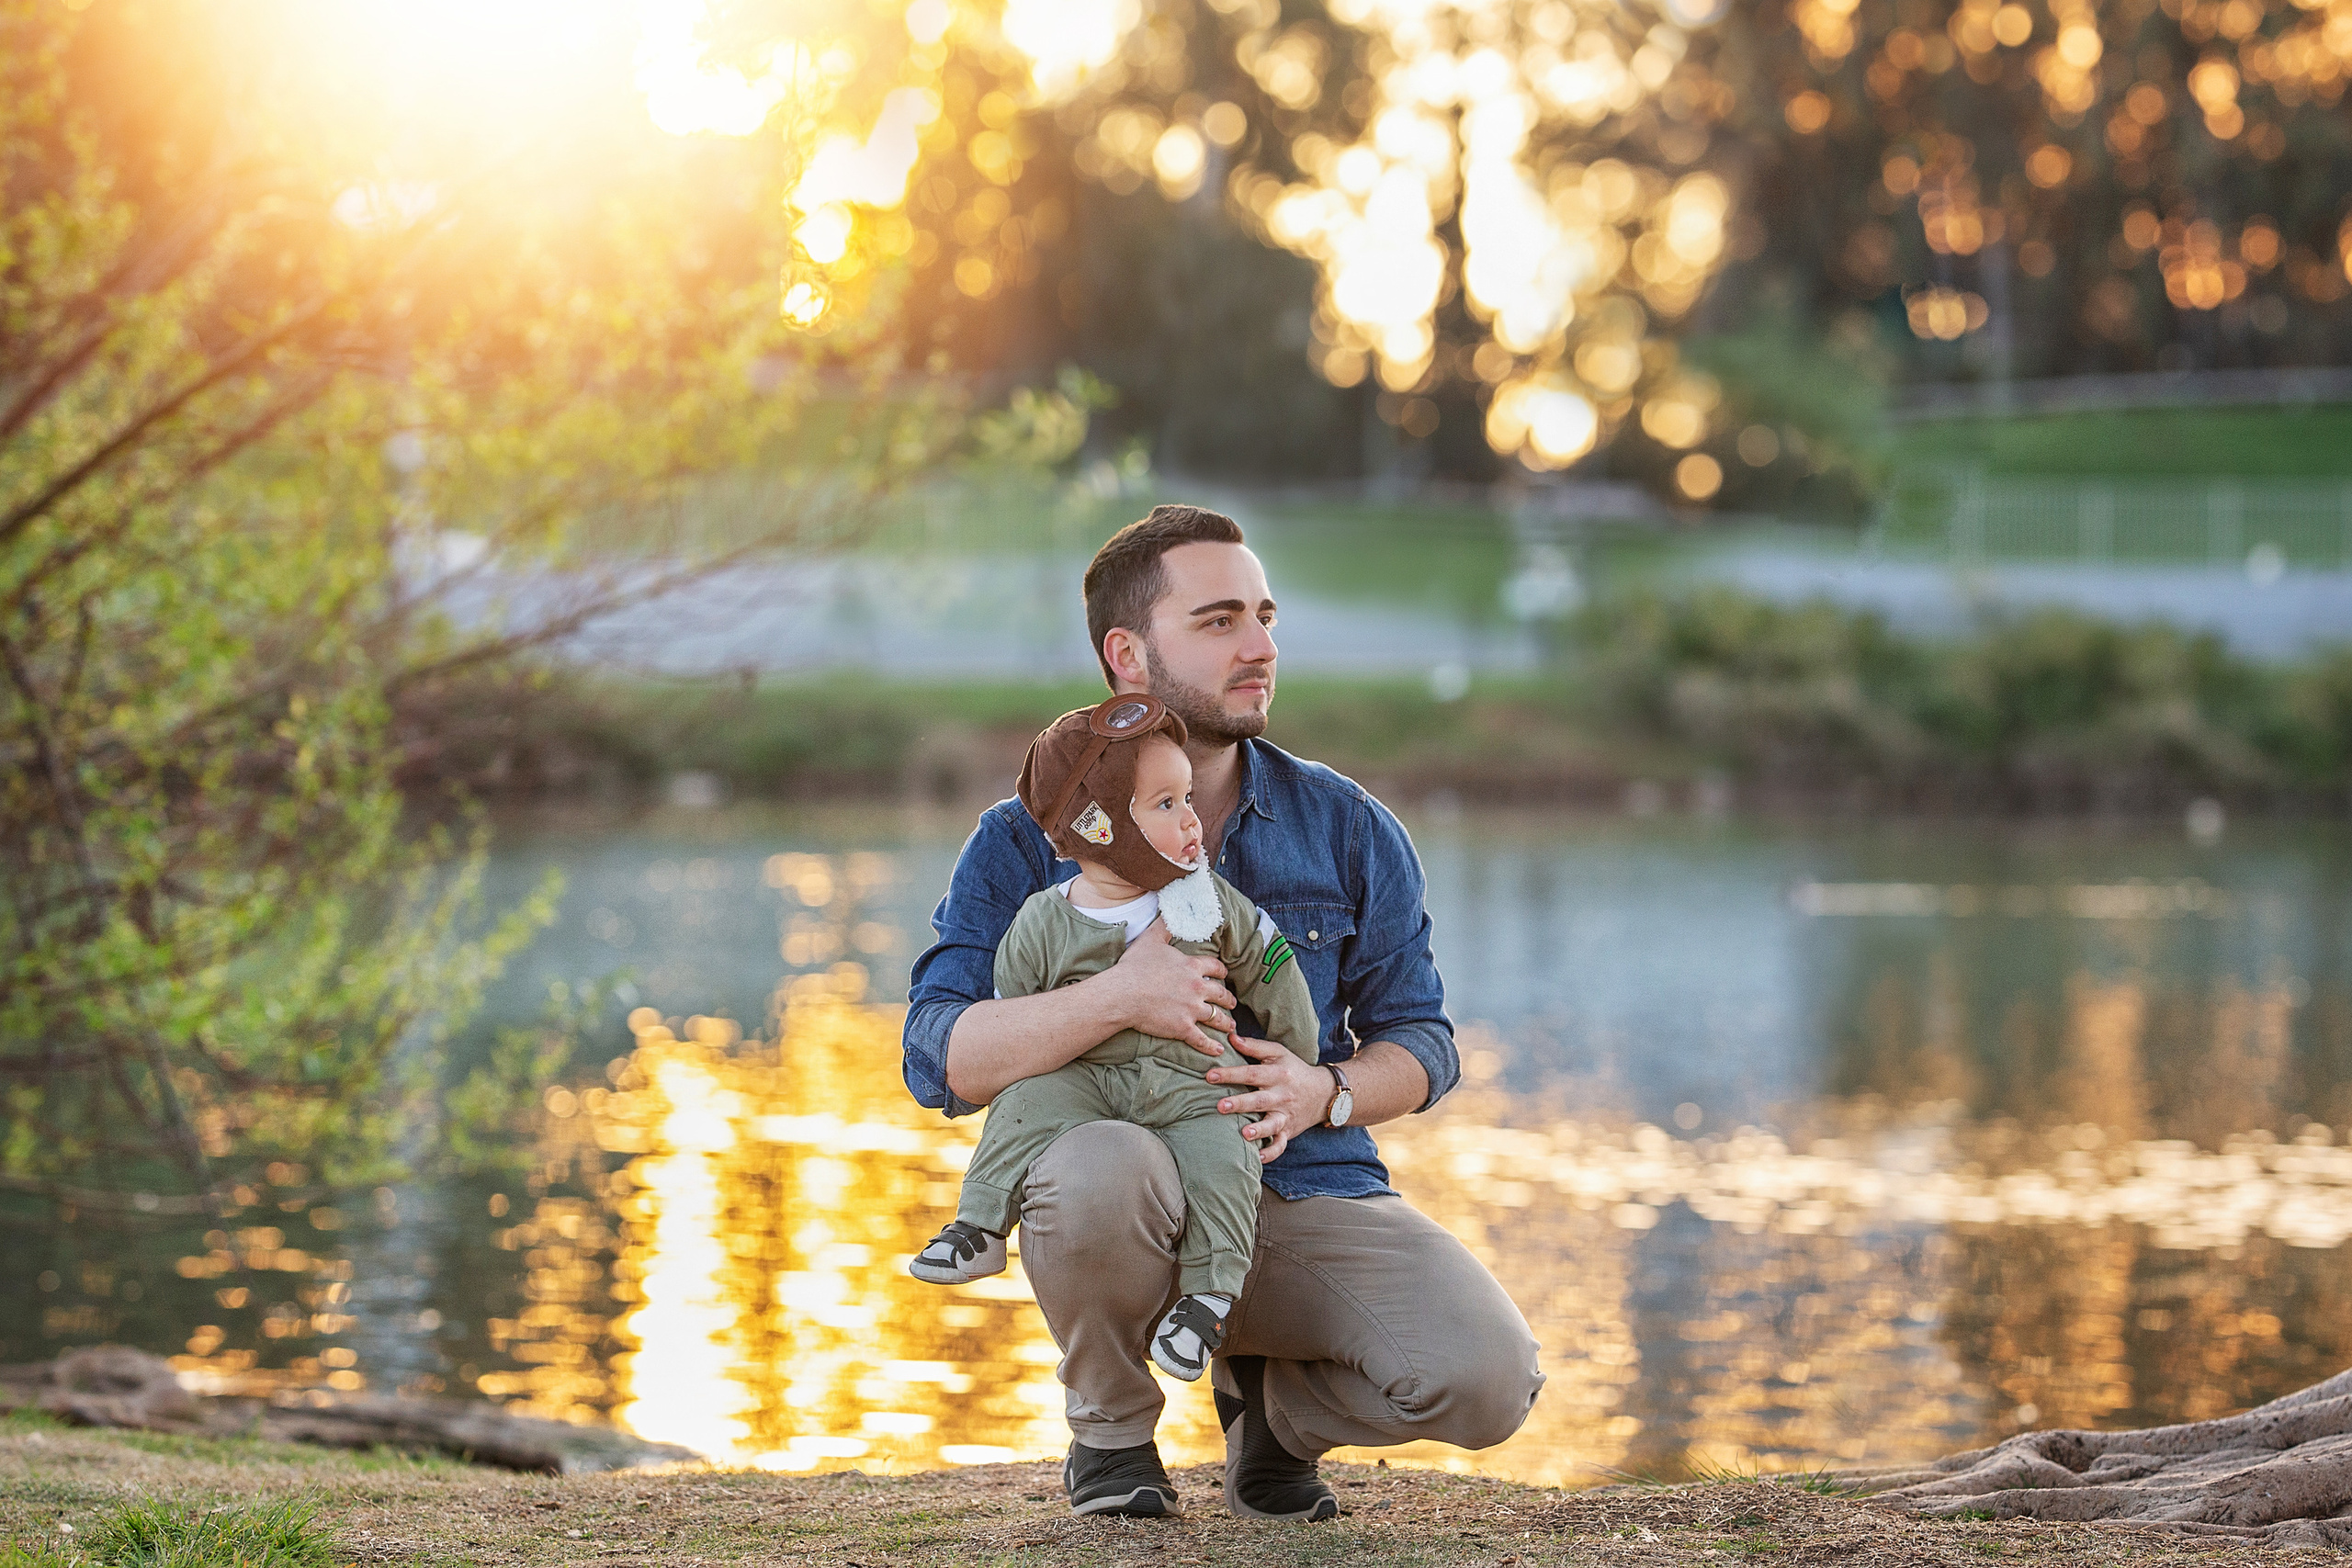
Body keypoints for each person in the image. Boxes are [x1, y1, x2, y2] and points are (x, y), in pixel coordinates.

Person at [904, 503, 1544, 1522]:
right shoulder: (1023, 839)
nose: (1259, 647)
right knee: (1093, 1166)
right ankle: (1112, 1438)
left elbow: (1422, 1043)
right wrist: (1119, 996)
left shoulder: (1348, 827)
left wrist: (1321, 1089)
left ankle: (1276, 1418)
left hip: (1303, 1194)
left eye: (1265, 616)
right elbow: (940, 1057)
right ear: (1127, 655)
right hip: (1128, 1204)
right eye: (1218, 622)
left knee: (1485, 1379)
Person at [907, 695, 1321, 1401]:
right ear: (1099, 828)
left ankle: (1208, 1297)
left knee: (1227, 1154)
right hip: (1086, 1087)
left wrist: (1300, 1058)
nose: (1191, 820)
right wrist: (1105, 1001)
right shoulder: (1045, 915)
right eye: (1165, 804)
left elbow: (1270, 963)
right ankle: (979, 1223)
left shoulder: (1205, 902)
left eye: (1187, 798)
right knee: (1026, 1101)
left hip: (1194, 1083)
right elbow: (1014, 998)